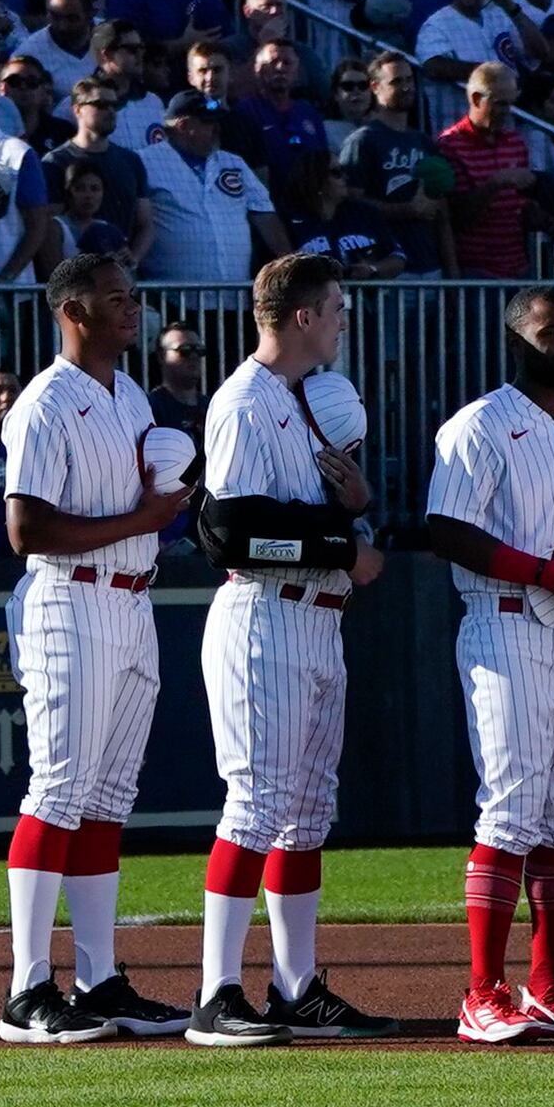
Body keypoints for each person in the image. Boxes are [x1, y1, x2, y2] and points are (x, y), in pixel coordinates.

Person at [418, 283, 554, 1045]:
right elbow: (446, 529)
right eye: (550, 332)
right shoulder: (478, 426)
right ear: (514, 341)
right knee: (511, 808)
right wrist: (548, 573)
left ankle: (549, 984)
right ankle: (482, 991)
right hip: (508, 625)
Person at [186, 250, 392, 1046]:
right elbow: (229, 531)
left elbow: (311, 515)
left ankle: (296, 986)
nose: (342, 319)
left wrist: (356, 508)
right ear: (302, 316)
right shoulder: (243, 401)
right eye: (335, 307)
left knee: (306, 813)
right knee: (257, 803)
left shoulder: (305, 402)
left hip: (315, 621)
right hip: (263, 616)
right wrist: (341, 544)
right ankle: (216, 994)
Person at [0, 249, 191, 1042]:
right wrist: (141, 521)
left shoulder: (129, 391)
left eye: (133, 293)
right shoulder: (44, 402)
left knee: (108, 801)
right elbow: (23, 528)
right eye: (116, 297)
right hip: (69, 599)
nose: (133, 306)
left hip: (131, 600)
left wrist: (166, 502)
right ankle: (25, 990)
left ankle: (100, 978)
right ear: (73, 312)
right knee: (59, 790)